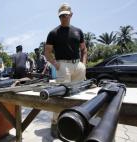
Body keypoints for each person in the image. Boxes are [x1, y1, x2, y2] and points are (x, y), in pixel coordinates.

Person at [44, 3, 87, 138]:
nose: (64, 17)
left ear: (71, 15)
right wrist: (56, 65)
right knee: (60, 96)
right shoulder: (53, 33)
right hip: (63, 66)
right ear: (59, 16)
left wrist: (83, 64)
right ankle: (55, 123)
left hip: (78, 67)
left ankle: (74, 122)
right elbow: (47, 52)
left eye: (66, 15)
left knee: (78, 95)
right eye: (61, 15)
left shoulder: (78, 31)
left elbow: (84, 49)